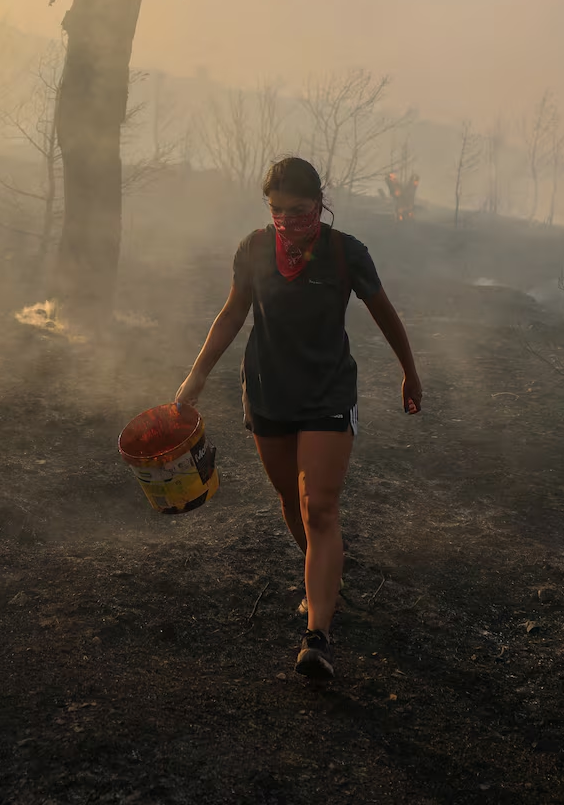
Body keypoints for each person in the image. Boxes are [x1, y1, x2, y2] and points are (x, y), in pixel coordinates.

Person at [173, 156, 423, 681]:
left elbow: (386, 314)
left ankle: (319, 635)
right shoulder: (254, 249)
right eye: (276, 209)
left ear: (319, 202)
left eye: (298, 209)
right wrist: (196, 375)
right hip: (267, 390)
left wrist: (410, 372)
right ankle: (324, 580)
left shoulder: (345, 253)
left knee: (320, 509)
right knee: (291, 500)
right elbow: (233, 312)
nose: (286, 219)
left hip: (328, 390)